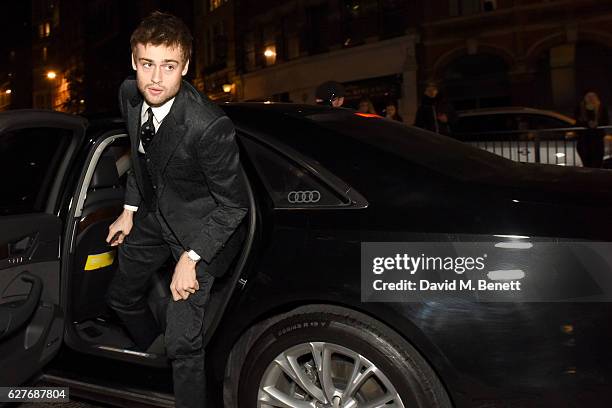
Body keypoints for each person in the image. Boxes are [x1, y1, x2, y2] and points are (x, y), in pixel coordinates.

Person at [105, 11, 248, 408]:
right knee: (120, 296)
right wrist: (129, 209)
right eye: (147, 64)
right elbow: (140, 154)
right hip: (154, 216)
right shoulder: (130, 94)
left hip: (202, 229)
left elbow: (233, 205)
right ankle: (153, 354)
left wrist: (192, 257)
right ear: (134, 61)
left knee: (185, 346)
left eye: (169, 67)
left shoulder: (207, 125)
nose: (155, 78)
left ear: (185, 67)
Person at [574, 90, 609, 168]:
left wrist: (597, 124)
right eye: (588, 96)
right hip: (584, 139)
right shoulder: (580, 107)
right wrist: (587, 124)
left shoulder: (601, 107)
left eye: (593, 96)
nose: (591, 98)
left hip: (597, 139)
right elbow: (576, 121)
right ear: (585, 97)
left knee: (597, 161)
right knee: (587, 162)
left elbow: (606, 121)